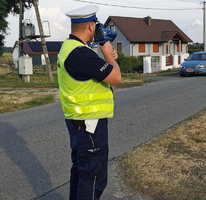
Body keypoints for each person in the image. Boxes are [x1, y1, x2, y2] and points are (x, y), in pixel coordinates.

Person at [57, 5, 121, 200]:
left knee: (81, 172)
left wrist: (107, 56)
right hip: (89, 126)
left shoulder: (70, 48)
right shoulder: (81, 54)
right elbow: (116, 77)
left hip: (79, 123)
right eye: (95, 24)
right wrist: (106, 50)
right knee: (93, 177)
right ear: (90, 27)